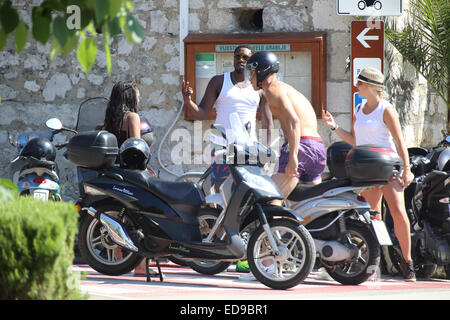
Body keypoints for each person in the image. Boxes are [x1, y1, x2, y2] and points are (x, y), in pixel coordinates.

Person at [321, 67, 416, 282]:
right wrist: (334, 126)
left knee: (398, 213)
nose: (357, 86)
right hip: (368, 169)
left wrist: (407, 169)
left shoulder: (386, 109)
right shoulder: (360, 109)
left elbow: (400, 142)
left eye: (360, 83)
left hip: (388, 166)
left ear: (371, 86)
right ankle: (374, 263)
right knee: (372, 216)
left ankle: (408, 262)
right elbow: (356, 141)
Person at [182, 45, 273, 191]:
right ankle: (219, 213)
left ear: (252, 62)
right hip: (222, 146)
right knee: (221, 188)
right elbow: (202, 113)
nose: (240, 60)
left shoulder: (259, 87)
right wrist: (188, 101)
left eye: (245, 57)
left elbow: (267, 124)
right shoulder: (218, 82)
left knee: (247, 188)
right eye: (237, 56)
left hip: (249, 147)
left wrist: (266, 154)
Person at [245, 51, 326, 201]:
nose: (250, 79)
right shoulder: (283, 88)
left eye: (252, 73)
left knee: (270, 201)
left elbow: (294, 121)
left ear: (262, 72)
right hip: (316, 147)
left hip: (300, 147)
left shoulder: (272, 90)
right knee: (308, 210)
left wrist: (293, 156)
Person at [103, 80, 155, 277]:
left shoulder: (110, 119)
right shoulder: (132, 117)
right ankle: (141, 266)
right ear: (130, 97)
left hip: (113, 172)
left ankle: (118, 261)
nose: (139, 98)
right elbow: (136, 147)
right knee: (142, 217)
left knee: (117, 216)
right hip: (130, 172)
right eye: (137, 94)